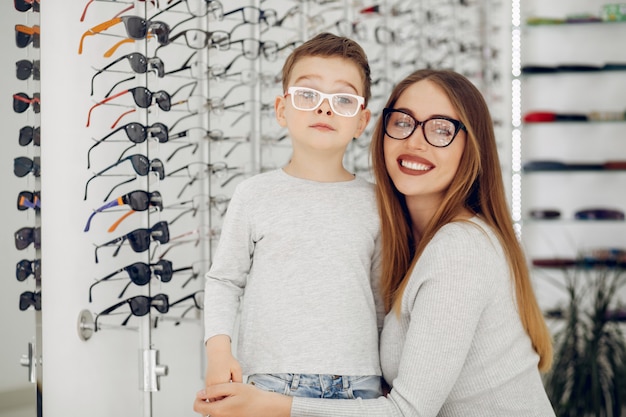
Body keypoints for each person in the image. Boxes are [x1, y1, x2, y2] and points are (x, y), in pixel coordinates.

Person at [194, 68, 556, 416]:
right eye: (403, 122)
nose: (415, 141)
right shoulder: (404, 236)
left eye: (441, 129)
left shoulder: (458, 250)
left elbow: (406, 413)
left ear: (472, 147)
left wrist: (271, 407)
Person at [202, 32, 385, 402]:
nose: (324, 108)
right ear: (282, 110)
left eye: (343, 99)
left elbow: (383, 302)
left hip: (359, 385)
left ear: (361, 121)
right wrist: (219, 352)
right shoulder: (253, 194)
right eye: (308, 94)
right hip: (270, 383)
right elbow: (224, 280)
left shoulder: (377, 203)